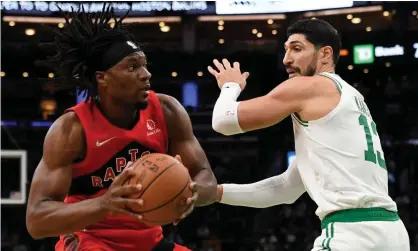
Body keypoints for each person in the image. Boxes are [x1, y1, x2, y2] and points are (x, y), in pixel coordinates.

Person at [26, 5, 218, 251]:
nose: (146, 74)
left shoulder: (167, 111)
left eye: (145, 65)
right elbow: (37, 220)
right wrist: (105, 204)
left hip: (150, 241)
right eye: (132, 67)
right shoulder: (71, 130)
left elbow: (208, 181)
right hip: (91, 241)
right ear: (102, 78)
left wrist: (190, 194)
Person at [207, 19, 410, 251]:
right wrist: (217, 193)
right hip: (391, 233)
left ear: (325, 54)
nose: (286, 59)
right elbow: (286, 188)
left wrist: (230, 86)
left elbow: (223, 121)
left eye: (297, 48)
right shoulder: (353, 98)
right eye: (285, 50)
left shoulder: (310, 86)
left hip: (352, 233)